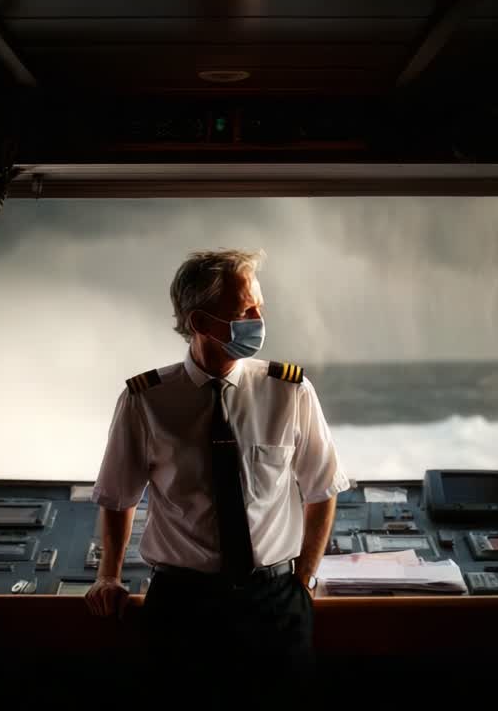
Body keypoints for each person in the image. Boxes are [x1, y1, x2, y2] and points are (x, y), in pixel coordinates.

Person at [84, 248, 349, 695]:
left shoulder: (290, 391)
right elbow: (118, 496)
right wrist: (108, 575)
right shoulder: (145, 399)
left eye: (259, 306)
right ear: (200, 323)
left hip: (274, 604)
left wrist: (302, 580)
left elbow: (322, 488)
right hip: (182, 605)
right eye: (245, 310)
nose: (258, 318)